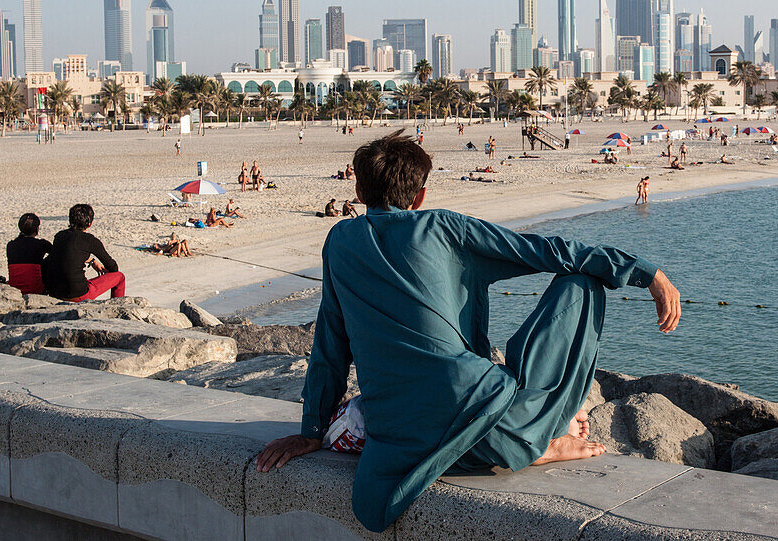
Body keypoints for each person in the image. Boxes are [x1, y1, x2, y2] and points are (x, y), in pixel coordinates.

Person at [255, 131, 680, 532]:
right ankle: (540, 437)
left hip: (402, 441)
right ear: (420, 195)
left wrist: (311, 431)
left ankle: (533, 438)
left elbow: (329, 345)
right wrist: (645, 273)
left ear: (359, 193)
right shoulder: (442, 228)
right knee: (583, 282)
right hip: (492, 418)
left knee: (446, 399)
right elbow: (549, 251)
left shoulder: (341, 241)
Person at [42, 204, 125, 302]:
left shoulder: (59, 236)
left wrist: (92, 261)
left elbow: (69, 255)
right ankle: (118, 306)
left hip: (55, 292)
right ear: (90, 223)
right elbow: (113, 267)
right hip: (78, 294)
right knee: (120, 277)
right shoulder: (90, 240)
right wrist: (105, 272)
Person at [6, 213, 51, 295]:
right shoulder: (42, 244)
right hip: (36, 290)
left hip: (15, 289)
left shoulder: (11, 245)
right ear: (37, 229)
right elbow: (57, 255)